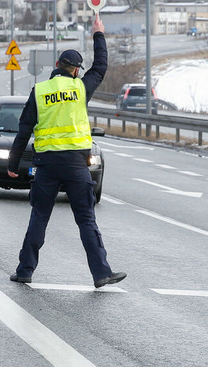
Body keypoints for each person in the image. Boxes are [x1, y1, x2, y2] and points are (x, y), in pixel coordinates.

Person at [7, 15, 127, 288]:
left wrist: (13, 163)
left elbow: (24, 129)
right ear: (74, 70)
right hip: (76, 165)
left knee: (39, 216)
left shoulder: (39, 91)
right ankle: (101, 274)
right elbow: (101, 67)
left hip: (46, 164)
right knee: (86, 220)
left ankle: (25, 270)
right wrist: (98, 34)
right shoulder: (80, 88)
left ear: (57, 66)